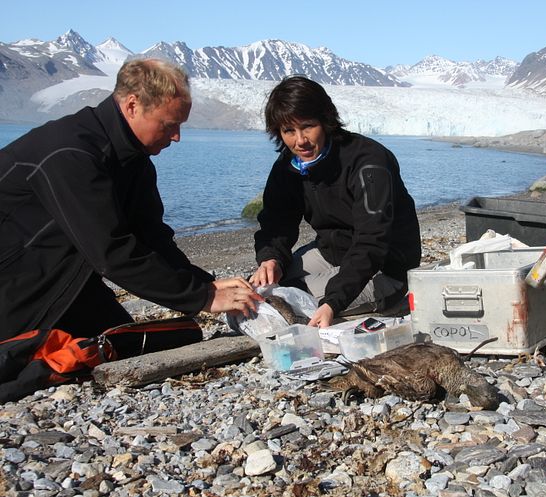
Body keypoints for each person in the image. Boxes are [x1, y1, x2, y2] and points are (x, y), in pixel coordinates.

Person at [0, 58, 262, 342]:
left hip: (62, 282)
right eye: (169, 125)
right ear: (132, 105)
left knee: (168, 339)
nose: (176, 137)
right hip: (16, 291)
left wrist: (205, 284)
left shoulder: (135, 159)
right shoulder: (70, 153)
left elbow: (152, 237)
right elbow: (112, 252)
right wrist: (203, 298)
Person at [250, 76, 422, 328]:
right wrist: (270, 258)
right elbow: (277, 222)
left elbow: (371, 242)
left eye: (308, 126)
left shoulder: (368, 161)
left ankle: (389, 299)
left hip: (384, 267)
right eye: (289, 131)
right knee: (258, 289)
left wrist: (333, 302)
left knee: (284, 300)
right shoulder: (290, 166)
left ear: (326, 121)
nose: (300, 141)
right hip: (333, 252)